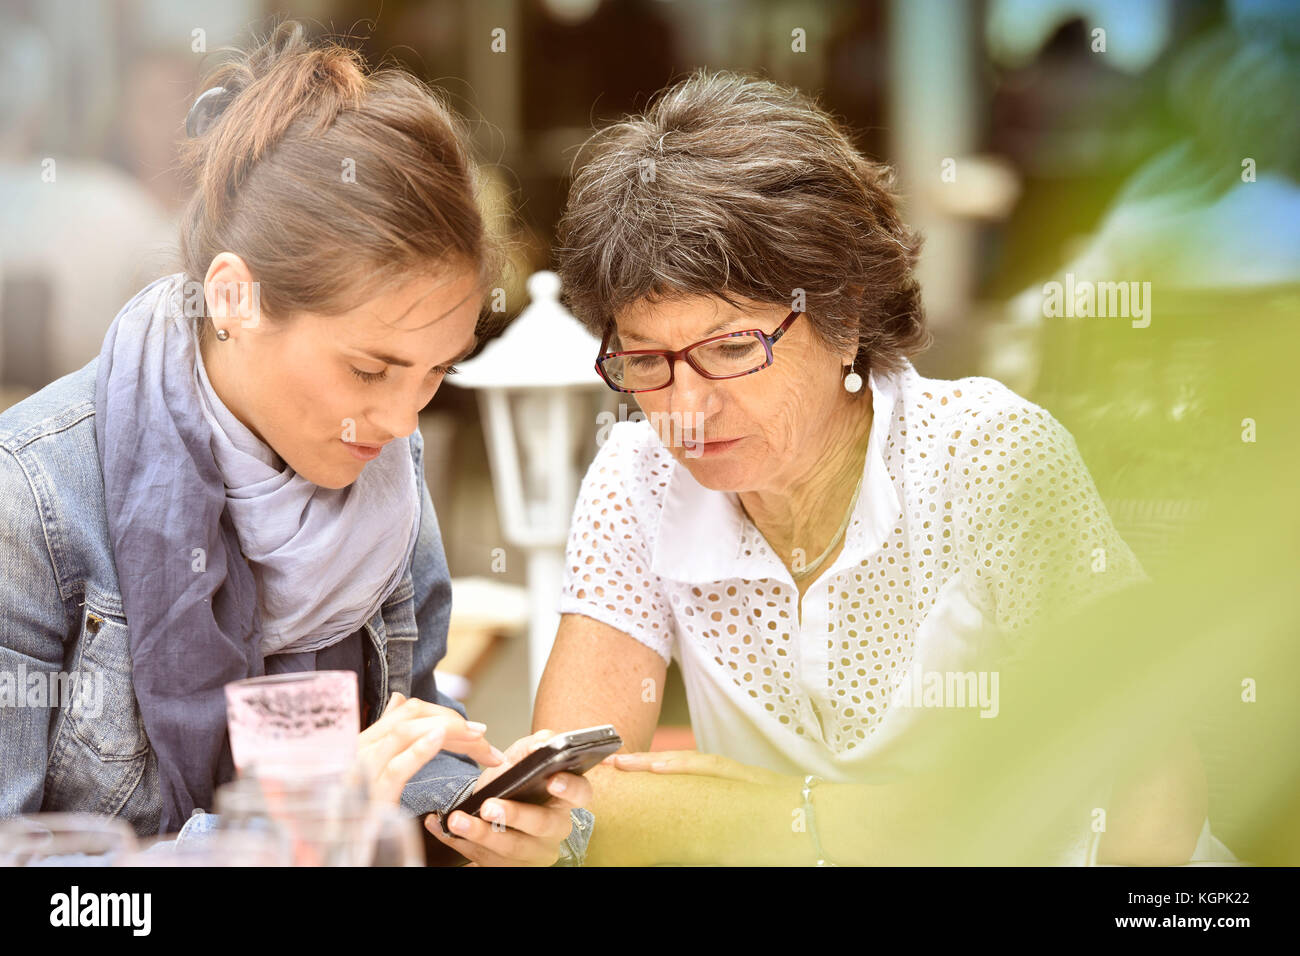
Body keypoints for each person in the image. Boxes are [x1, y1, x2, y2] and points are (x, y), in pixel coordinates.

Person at [535, 70, 1230, 865]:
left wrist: (735, 817)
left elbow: (1150, 767)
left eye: (731, 348)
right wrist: (844, 822)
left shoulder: (985, 454)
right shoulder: (639, 475)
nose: (686, 405)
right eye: (647, 360)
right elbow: (568, 805)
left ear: (846, 312)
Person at [0, 21, 590, 867]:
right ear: (234, 299)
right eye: (369, 369)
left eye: (434, 374)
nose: (400, 423)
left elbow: (396, 752)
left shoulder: (385, 475)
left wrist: (477, 819)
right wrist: (286, 834)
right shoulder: (30, 499)